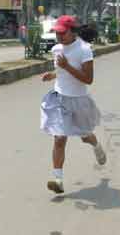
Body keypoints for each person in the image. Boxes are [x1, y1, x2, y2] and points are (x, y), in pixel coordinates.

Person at [40, 15, 106, 194]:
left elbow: (88, 79)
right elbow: (61, 71)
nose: (59, 36)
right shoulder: (56, 49)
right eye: (57, 32)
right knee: (59, 138)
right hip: (60, 98)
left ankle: (96, 146)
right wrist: (52, 75)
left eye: (62, 32)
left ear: (72, 31)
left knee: (85, 136)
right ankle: (58, 180)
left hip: (79, 100)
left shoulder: (84, 50)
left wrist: (67, 66)